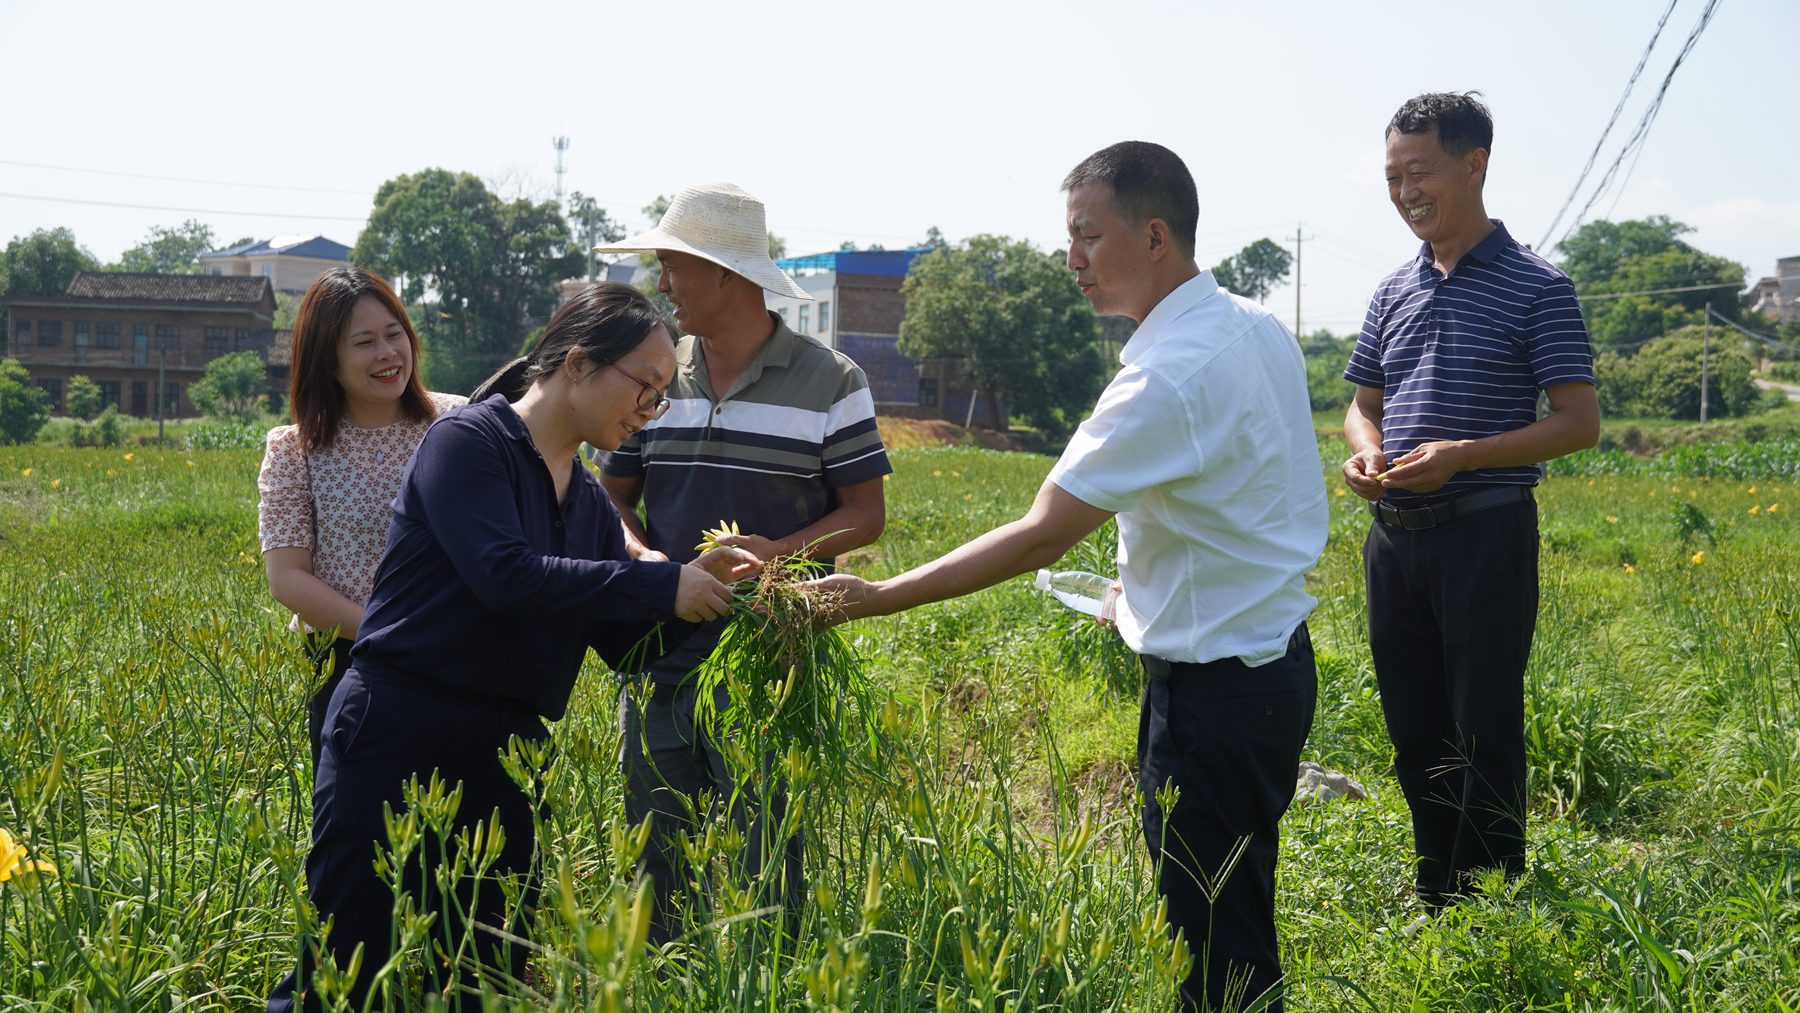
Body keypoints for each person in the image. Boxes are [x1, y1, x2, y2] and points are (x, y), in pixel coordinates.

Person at [811, 141, 1326, 1012]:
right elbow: (1247, 494)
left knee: (1212, 943)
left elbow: (1038, 535)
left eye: (1087, 235)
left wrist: (878, 596)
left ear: (1155, 235)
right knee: (1232, 920)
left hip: (1213, 700)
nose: (1071, 260)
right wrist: (1145, 594)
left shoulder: (1164, 376)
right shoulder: (1254, 324)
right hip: (1272, 664)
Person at [266, 283, 758, 1011]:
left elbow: (623, 645)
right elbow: (506, 575)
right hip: (397, 731)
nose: (647, 411)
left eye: (660, 397)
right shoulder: (467, 442)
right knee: (349, 967)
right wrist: (659, 587)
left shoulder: (586, 500)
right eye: (644, 388)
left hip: (507, 755)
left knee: (478, 973)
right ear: (581, 364)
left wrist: (720, 602)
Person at [590, 181, 891, 942]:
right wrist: (656, 567)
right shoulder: (653, 374)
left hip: (770, 656)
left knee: (768, 865)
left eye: (673, 268)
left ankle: (768, 983)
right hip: (659, 652)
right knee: (656, 860)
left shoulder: (831, 378)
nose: (662, 286)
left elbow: (865, 514)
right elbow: (608, 500)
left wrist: (775, 557)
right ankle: (669, 979)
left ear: (726, 274)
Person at [1340, 92, 1598, 921]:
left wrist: (1464, 456)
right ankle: (1436, 891)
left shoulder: (1538, 286)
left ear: (1474, 164)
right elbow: (1362, 401)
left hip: (1486, 532)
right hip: (1394, 538)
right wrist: (1366, 447)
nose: (1405, 191)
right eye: (1392, 177)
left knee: (1482, 724)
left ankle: (1490, 909)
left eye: (1419, 172)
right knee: (1414, 726)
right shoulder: (1392, 290)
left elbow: (1577, 421)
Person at [258, 266, 466, 770]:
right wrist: (391, 636)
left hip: (460, 658)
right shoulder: (295, 449)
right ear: (326, 360)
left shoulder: (460, 423)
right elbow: (286, 578)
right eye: (364, 342)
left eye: (394, 334)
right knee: (359, 833)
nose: (387, 354)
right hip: (347, 664)